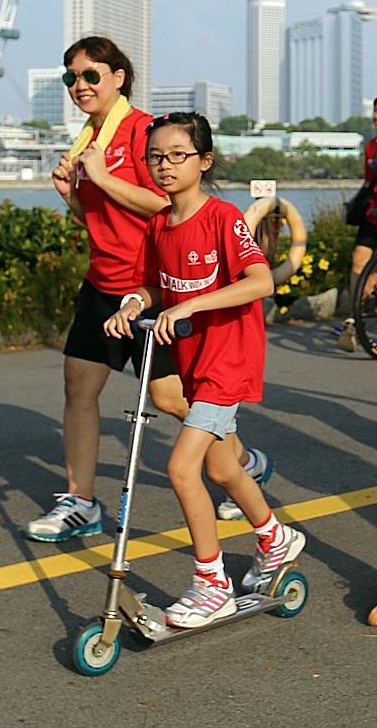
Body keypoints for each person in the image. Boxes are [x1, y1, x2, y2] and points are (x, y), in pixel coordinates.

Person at [28, 38, 272, 541]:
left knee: (172, 399)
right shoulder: (90, 140)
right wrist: (75, 196)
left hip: (152, 287)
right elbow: (104, 220)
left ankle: (241, 465)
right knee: (79, 385)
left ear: (120, 77)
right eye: (71, 77)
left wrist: (102, 177)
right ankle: (81, 501)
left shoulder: (145, 134)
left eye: (91, 75)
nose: (80, 86)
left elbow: (166, 207)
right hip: (105, 283)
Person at [103, 112, 305, 626]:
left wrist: (191, 307)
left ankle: (211, 584)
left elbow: (260, 281)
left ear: (204, 161)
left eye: (177, 155)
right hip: (193, 363)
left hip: (227, 362)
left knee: (180, 467)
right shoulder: (157, 224)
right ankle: (274, 538)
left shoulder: (222, 218)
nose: (164, 166)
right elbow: (150, 283)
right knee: (221, 468)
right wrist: (132, 306)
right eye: (155, 157)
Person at [338, 89, 377, 353]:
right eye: (375, 111)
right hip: (371, 212)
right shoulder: (371, 146)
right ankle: (357, 312)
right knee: (358, 262)